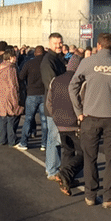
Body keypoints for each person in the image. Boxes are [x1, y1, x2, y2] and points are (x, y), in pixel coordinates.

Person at [69, 32, 111, 208]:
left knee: (90, 157)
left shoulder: (88, 62)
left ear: (98, 46)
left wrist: (78, 111)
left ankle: (90, 194)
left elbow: (72, 85)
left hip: (90, 117)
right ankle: (110, 196)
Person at [47, 54, 83, 196]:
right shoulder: (79, 81)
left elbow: (49, 102)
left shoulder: (55, 80)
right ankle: (65, 174)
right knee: (84, 153)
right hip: (75, 123)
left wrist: (55, 116)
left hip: (59, 123)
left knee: (68, 151)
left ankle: (67, 182)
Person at [41, 33, 66, 179]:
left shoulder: (57, 59)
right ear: (49, 44)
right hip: (54, 106)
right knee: (54, 138)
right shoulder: (48, 61)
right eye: (56, 43)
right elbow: (52, 85)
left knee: (55, 138)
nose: (58, 45)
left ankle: (53, 166)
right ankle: (52, 169)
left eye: (60, 43)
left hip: (57, 105)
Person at [18, 45, 47, 150]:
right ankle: (44, 143)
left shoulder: (29, 63)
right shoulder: (46, 64)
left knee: (28, 119)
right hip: (44, 93)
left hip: (31, 93)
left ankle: (24, 142)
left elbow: (21, 76)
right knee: (44, 121)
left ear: (35, 53)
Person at [0, 47, 23, 146]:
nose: (16, 58)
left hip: (1, 95)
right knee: (12, 118)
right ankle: (12, 140)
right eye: (15, 56)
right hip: (10, 96)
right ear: (10, 57)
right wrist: (17, 98)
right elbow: (13, 85)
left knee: (3, 119)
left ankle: (2, 139)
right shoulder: (11, 68)